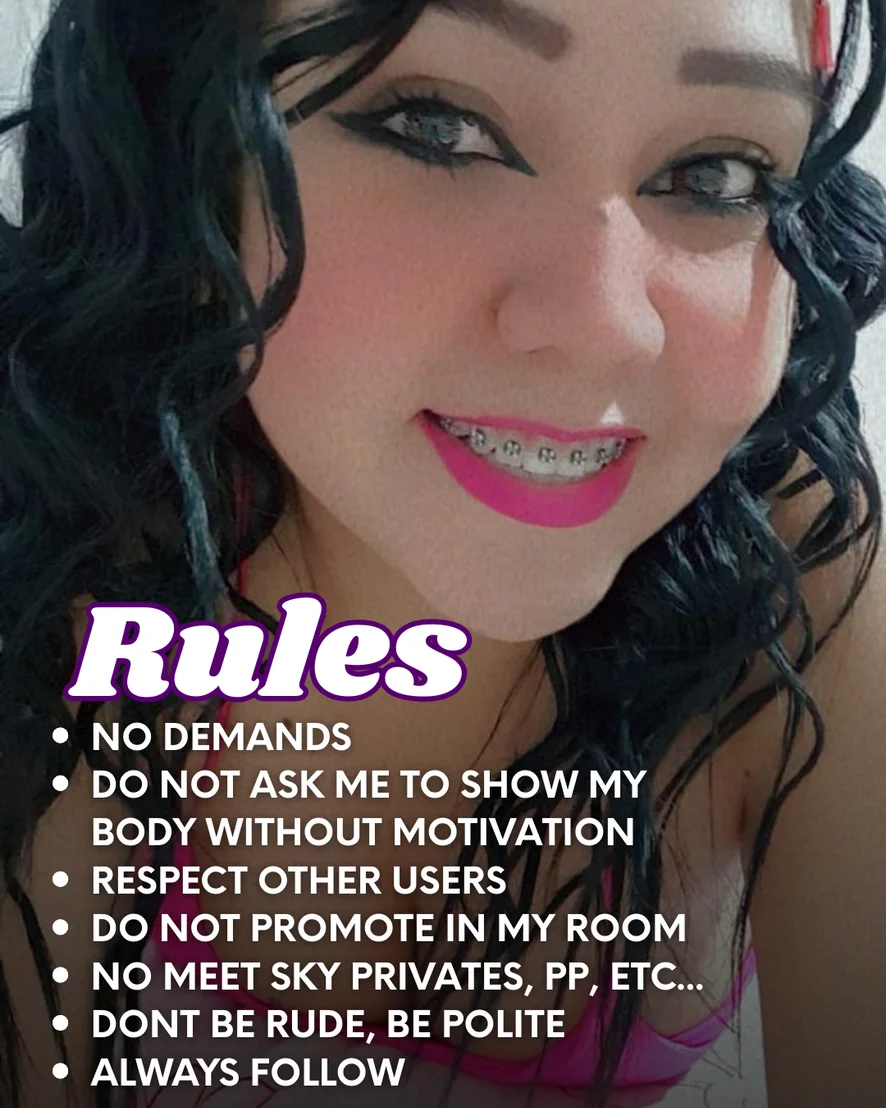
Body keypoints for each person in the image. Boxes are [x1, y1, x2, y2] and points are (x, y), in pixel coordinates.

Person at [1, 0, 885, 1105]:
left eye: (715, 174)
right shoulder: (71, 551)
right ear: (187, 154)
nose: (605, 326)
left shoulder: (796, 577)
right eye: (436, 127)